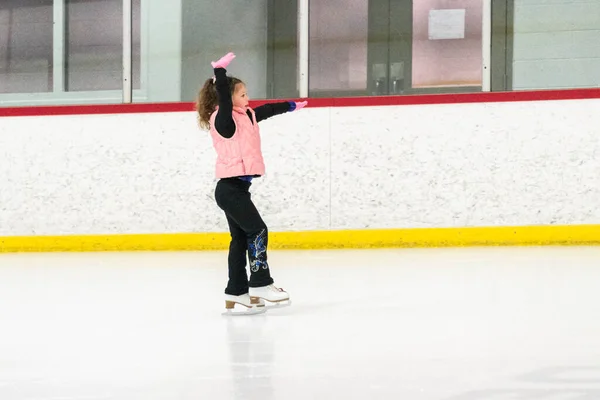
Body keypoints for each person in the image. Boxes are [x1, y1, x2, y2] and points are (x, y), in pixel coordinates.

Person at [196, 52, 307, 313]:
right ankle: (259, 282)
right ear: (228, 98)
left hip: (236, 189)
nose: (248, 98)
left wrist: (290, 106)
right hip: (229, 189)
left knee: (240, 239)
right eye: (242, 94)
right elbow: (223, 98)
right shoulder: (223, 120)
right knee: (257, 231)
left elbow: (266, 111)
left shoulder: (246, 116)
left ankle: (237, 291)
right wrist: (220, 73)